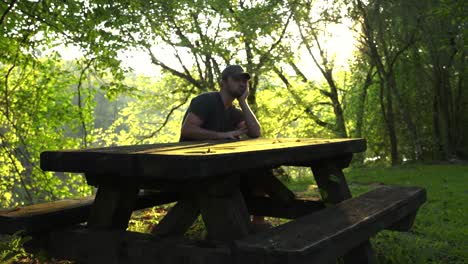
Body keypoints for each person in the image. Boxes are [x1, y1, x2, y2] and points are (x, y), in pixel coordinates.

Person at [180, 64, 270, 229]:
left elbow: (255, 132)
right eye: (236, 79)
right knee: (230, 184)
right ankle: (232, 232)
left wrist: (243, 101)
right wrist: (222, 135)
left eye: (244, 81)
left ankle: (258, 224)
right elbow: (187, 129)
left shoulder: (234, 111)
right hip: (191, 167)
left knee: (260, 172)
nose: (242, 83)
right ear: (223, 82)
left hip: (217, 167)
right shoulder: (206, 101)